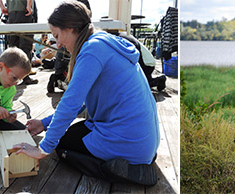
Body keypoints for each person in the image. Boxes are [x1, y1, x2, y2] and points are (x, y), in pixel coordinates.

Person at [13, 1, 159, 186]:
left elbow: (71, 103)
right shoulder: (104, 41)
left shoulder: (92, 50)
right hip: (144, 141)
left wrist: (43, 149)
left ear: (72, 28)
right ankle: (132, 161)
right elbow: (82, 103)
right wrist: (44, 123)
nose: (57, 43)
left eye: (57, 35)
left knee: (62, 146)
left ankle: (120, 170)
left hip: (129, 141)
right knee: (69, 134)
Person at [0, 0, 38, 85]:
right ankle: (25, 76)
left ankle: (10, 76)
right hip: (24, 12)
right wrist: (29, 5)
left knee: (13, 47)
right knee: (26, 46)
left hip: (11, 14)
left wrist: (2, 7)